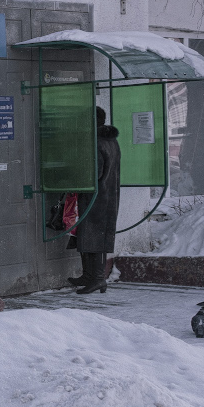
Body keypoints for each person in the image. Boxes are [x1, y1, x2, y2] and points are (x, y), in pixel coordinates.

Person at [70, 106, 120, 294]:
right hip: (107, 195)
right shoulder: (110, 140)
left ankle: (98, 278)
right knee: (89, 234)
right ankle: (90, 276)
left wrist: (77, 178)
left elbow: (95, 173)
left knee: (95, 235)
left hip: (97, 197)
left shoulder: (96, 143)